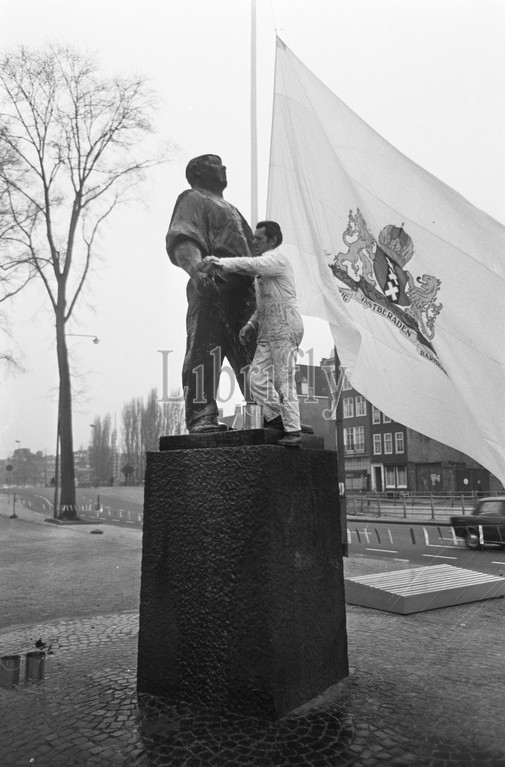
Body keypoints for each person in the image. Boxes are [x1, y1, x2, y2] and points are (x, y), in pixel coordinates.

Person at [165, 155, 256, 433]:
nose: (223, 168)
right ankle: (201, 415)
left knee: (256, 353)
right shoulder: (192, 198)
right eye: (216, 164)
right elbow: (183, 237)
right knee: (205, 351)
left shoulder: (232, 210)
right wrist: (197, 271)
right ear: (197, 173)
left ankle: (269, 412)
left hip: (246, 290)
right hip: (214, 283)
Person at [201, 220, 304, 447]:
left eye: (259, 238)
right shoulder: (264, 271)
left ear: (272, 240)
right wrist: (250, 325)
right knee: (255, 377)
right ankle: (277, 419)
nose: (254, 241)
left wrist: (220, 263)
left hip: (285, 326)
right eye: (254, 238)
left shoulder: (277, 259)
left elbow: (251, 264)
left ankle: (293, 430)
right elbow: (264, 305)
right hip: (268, 330)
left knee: (283, 379)